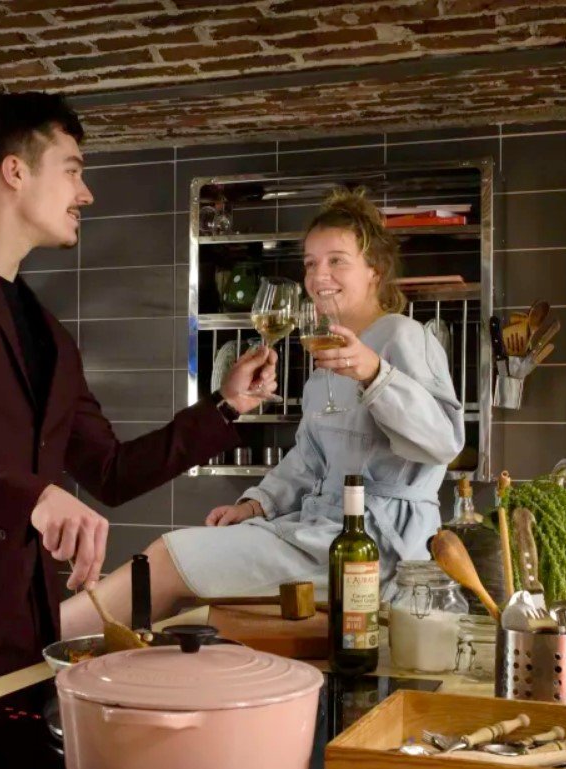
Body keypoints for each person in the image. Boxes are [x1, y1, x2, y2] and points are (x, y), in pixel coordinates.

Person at [0, 92, 277, 716]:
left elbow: (110, 474)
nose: (85, 193)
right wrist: (31, 497)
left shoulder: (49, 334)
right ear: (15, 170)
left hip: (29, 635)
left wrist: (224, 408)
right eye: (72, 168)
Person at [59, 188, 464, 637]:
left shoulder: (402, 336)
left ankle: (42, 640)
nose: (318, 275)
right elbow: (309, 459)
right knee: (186, 583)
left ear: (376, 270)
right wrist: (259, 503)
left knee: (169, 558)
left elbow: (444, 442)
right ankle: (75, 648)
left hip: (376, 544)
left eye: (336, 261)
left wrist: (375, 375)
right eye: (310, 262)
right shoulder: (329, 352)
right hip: (320, 529)